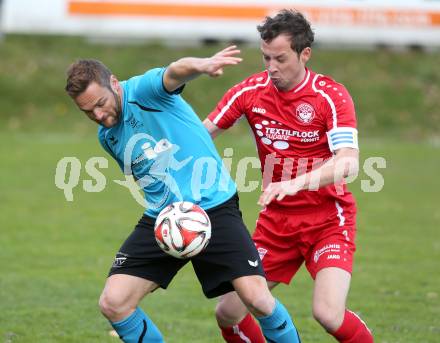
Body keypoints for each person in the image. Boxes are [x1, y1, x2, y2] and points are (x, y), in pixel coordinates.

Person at [65, 46, 301, 343]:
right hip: (163, 218)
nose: (98, 114)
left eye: (100, 103)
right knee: (114, 303)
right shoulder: (108, 137)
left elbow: (175, 71)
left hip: (214, 208)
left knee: (258, 300)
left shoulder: (144, 90)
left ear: (114, 83)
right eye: (88, 111)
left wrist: (202, 65)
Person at [204, 10, 374, 343]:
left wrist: (294, 182)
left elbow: (348, 163)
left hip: (327, 221)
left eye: (280, 58)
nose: (271, 67)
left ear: (304, 53)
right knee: (228, 312)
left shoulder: (329, 96)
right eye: (266, 57)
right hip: (276, 226)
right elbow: (202, 133)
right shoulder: (250, 91)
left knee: (327, 314)